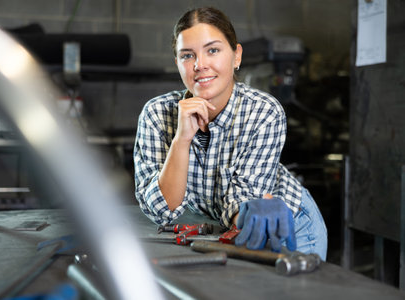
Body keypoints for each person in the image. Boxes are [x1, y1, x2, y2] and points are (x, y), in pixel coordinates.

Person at [133, 6, 327, 260]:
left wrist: (245, 214)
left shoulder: (263, 112)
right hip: (223, 229)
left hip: (289, 226)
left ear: (236, 56)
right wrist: (182, 139)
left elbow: (243, 198)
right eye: (187, 56)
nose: (200, 65)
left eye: (212, 50)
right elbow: (160, 211)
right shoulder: (157, 114)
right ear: (178, 63)